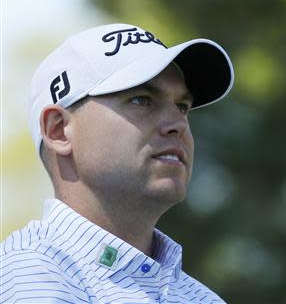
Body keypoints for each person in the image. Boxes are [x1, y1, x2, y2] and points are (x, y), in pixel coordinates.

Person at [0, 23, 234, 303]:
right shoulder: (30, 275)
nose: (178, 124)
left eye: (182, 107)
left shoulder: (202, 298)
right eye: (142, 100)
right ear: (58, 130)